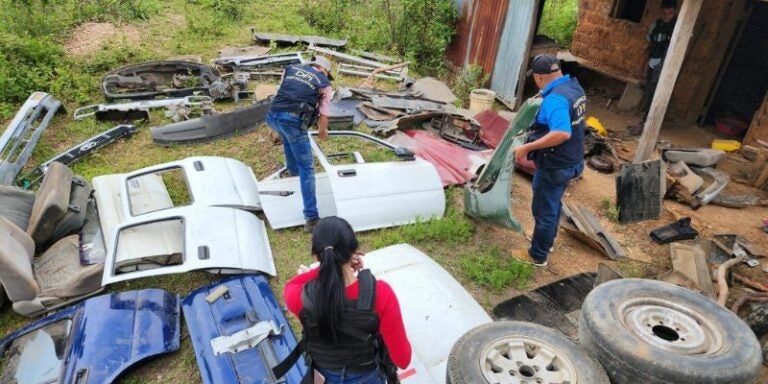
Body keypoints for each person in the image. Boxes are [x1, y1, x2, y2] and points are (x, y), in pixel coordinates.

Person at [283, 216, 412, 383]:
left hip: (323, 377)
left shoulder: (299, 297)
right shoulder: (382, 293)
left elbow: (291, 284)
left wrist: (325, 267)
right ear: (354, 250)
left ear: (316, 256)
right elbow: (403, 360)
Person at [515, 54, 586, 267]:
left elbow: (562, 132)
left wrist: (527, 147)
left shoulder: (555, 99)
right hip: (572, 160)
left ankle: (537, 255)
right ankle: (548, 241)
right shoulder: (574, 89)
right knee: (553, 202)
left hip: (555, 163)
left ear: (538, 77)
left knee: (544, 208)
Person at [266, 56, 334, 232]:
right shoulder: (324, 83)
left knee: (289, 140)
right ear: (324, 69)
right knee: (307, 168)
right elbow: (324, 114)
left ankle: (293, 175)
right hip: (293, 121)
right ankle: (311, 218)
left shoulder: (291, 69)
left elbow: (281, 92)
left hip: (272, 116)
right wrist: (322, 133)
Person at [632, 0, 678, 135]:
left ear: (674, 12)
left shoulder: (678, 27)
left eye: (669, 13)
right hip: (653, 62)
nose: (666, 16)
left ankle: (648, 121)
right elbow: (648, 46)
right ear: (660, 12)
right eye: (664, 13)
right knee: (649, 90)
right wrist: (643, 64)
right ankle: (645, 119)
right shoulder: (655, 25)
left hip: (666, 65)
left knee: (656, 92)